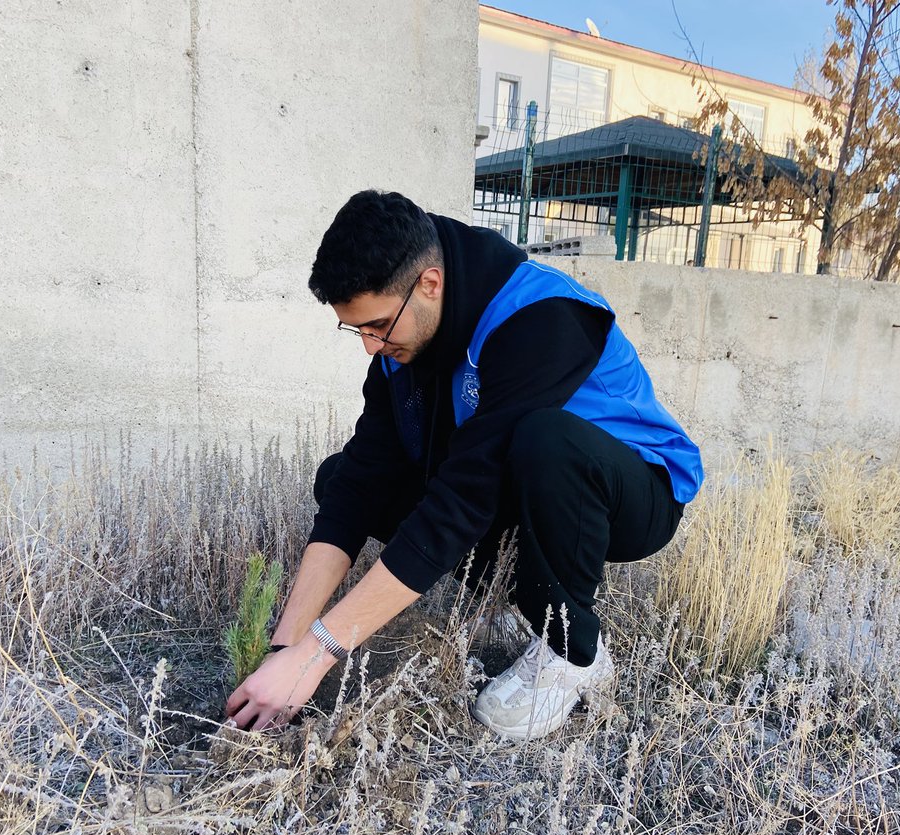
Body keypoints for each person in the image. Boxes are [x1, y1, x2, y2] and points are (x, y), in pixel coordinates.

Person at [225, 190, 702, 741]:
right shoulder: (405, 341)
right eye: (355, 329)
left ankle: (572, 653)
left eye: (377, 325)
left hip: (633, 493)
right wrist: (286, 645)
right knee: (341, 478)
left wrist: (318, 656)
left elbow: (463, 499)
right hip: (524, 484)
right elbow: (360, 482)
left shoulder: (541, 317)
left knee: (541, 439)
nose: (369, 346)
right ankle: (518, 601)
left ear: (430, 283)